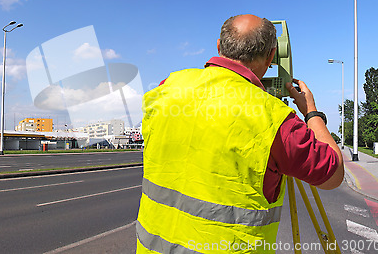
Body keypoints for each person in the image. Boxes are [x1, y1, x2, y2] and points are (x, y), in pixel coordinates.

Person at [136, 14, 344, 253]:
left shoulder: (167, 87)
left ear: (218, 45)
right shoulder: (274, 119)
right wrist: (312, 113)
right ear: (271, 57)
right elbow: (333, 173)